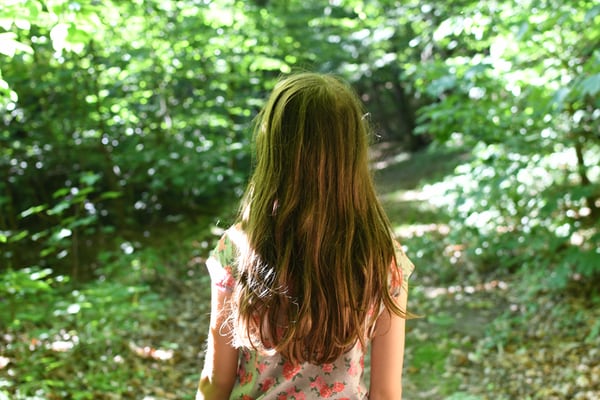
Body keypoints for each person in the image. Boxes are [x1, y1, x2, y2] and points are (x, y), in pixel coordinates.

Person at [197, 72, 415, 400]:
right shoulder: (382, 257)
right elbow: (385, 393)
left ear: (273, 151)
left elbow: (216, 380)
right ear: (353, 154)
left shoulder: (238, 248)